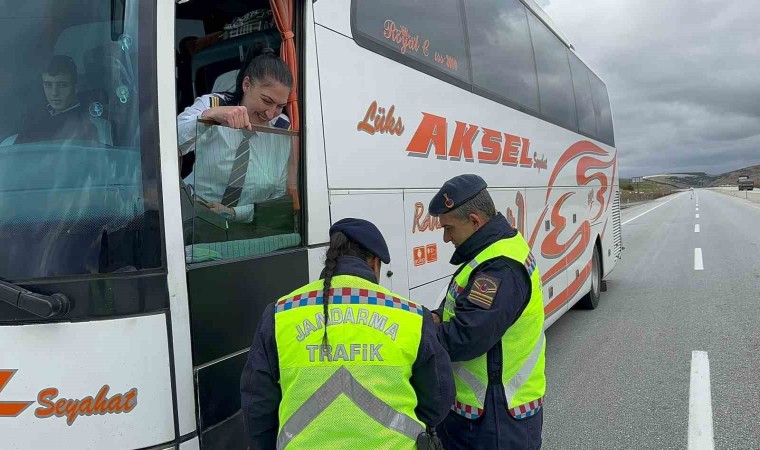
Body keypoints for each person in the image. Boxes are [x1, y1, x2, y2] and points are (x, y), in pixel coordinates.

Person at [240, 218, 455, 449]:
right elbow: (439, 398)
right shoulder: (411, 315)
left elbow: (257, 405)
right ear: (374, 264)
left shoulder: (280, 313)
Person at [429, 174, 546, 449]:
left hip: (496, 419)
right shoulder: (493, 252)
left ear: (474, 221)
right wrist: (431, 317)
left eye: (449, 228)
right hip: (487, 413)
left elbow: (467, 336)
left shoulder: (500, 267)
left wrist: (411, 332)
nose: (446, 238)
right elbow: (463, 310)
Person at [177, 46, 292, 224]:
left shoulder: (282, 128)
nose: (270, 114)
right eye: (266, 101)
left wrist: (234, 213)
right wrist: (210, 116)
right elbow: (170, 140)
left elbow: (277, 195)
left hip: (247, 227)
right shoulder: (213, 103)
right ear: (246, 85)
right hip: (193, 217)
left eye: (279, 106)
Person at [16, 56, 104, 145]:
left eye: (62, 85)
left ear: (76, 87)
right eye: (48, 85)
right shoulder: (33, 119)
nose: (54, 93)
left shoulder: (89, 123)